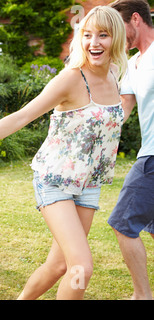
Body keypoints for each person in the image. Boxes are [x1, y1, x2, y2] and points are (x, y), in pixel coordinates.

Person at [0, 6, 127, 300]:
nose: (94, 43)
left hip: (88, 184)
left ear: (116, 39)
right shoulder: (71, 79)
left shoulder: (115, 74)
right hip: (55, 178)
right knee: (81, 267)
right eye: (87, 35)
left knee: (59, 265)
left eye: (103, 35)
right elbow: (22, 116)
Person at [107, 0, 154, 300]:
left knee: (123, 222)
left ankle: (142, 296)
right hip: (148, 151)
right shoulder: (133, 65)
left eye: (117, 28)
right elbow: (122, 111)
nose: (115, 38)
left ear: (135, 19)